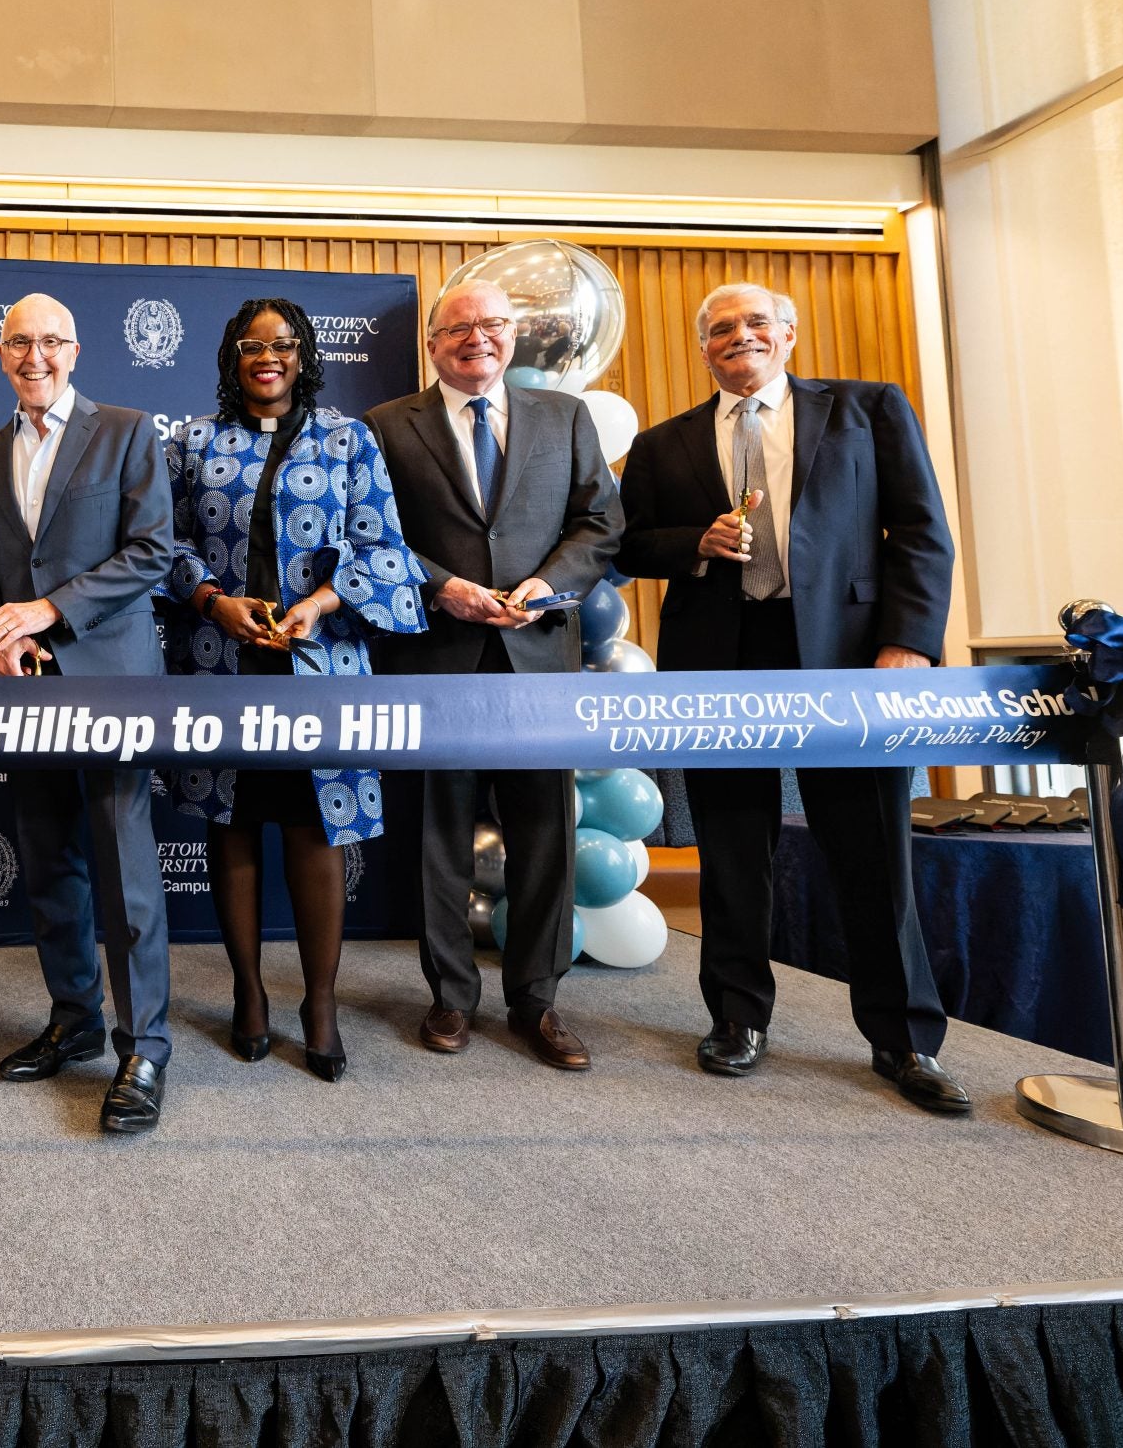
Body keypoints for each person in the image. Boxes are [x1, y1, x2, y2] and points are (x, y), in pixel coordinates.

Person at [616, 283, 971, 1116]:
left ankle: (904, 1037)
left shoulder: (868, 409)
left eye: (755, 323)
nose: (739, 337)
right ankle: (738, 1017)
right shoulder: (664, 444)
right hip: (719, 659)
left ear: (789, 335)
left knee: (873, 852)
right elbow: (629, 546)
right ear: (704, 348)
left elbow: (921, 530)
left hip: (848, 661)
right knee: (734, 851)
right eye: (720, 330)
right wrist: (693, 543)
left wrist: (908, 643)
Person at [163, 299, 427, 1080]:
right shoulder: (194, 441)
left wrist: (321, 602)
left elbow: (386, 547)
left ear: (304, 355)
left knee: (315, 831)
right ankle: (248, 991)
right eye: (252, 345)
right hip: (224, 662)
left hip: (321, 668)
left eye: (282, 345)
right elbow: (167, 545)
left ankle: (319, 1000)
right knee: (233, 827)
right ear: (232, 357)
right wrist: (214, 599)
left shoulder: (348, 440)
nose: (267, 357)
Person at [365, 283, 622, 1071]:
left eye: (492, 326)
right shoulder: (386, 426)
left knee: (547, 831)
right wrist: (443, 585)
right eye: (459, 328)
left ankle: (538, 1001)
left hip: (539, 655)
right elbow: (374, 530)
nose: (477, 338)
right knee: (438, 836)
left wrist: (547, 582)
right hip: (439, 655)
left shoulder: (565, 417)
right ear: (433, 343)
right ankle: (450, 995)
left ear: (512, 337)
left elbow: (600, 521)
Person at [0, 295, 176, 1134]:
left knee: (125, 869)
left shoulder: (127, 429)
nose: (35, 356)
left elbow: (152, 549)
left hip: (113, 678)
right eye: (20, 342)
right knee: (48, 860)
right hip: (26, 685)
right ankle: (75, 1018)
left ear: (76, 349)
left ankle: (146, 1044)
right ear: (1, 352)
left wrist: (47, 611)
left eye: (51, 341)